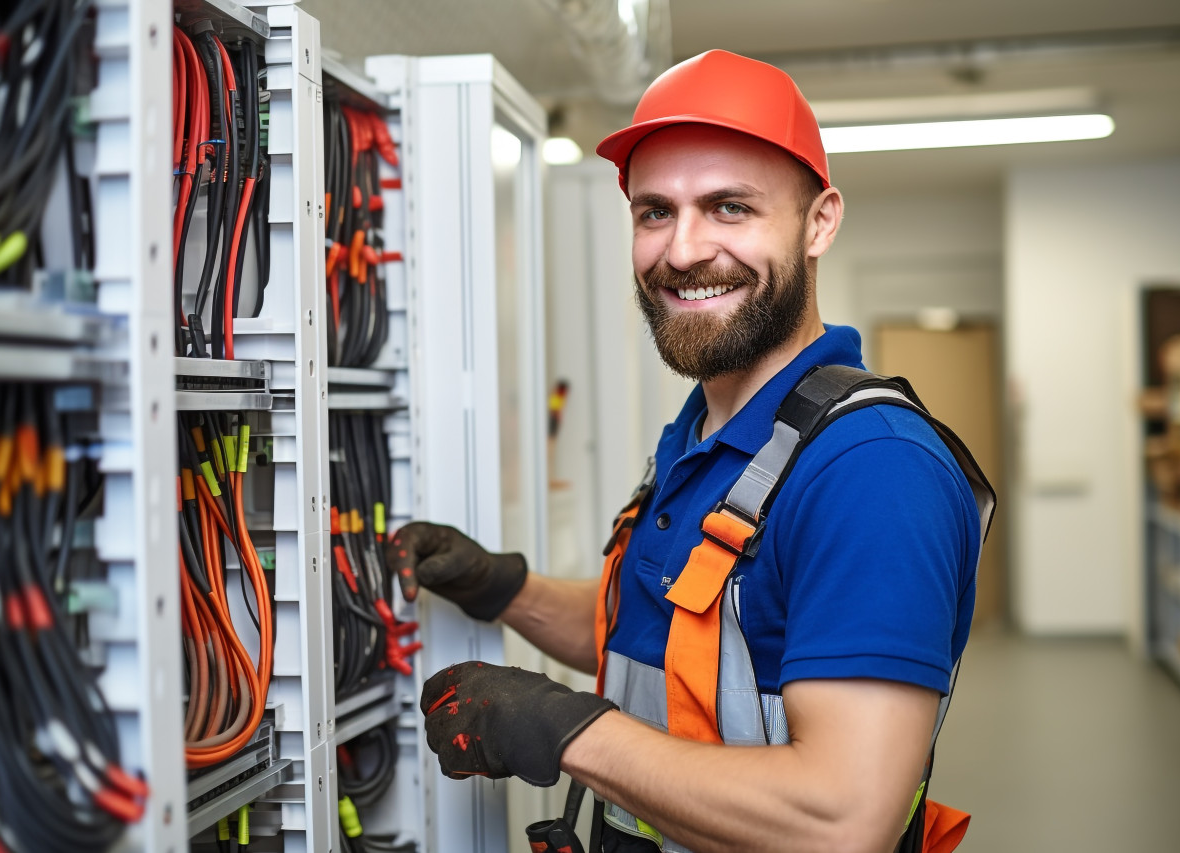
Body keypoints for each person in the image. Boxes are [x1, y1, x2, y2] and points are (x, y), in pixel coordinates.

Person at [387, 50, 990, 853]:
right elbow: (669, 639)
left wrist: (567, 728)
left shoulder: (872, 469)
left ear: (820, 222)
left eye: (730, 207)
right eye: (654, 212)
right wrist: (505, 587)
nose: (681, 250)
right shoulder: (705, 431)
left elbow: (843, 821)